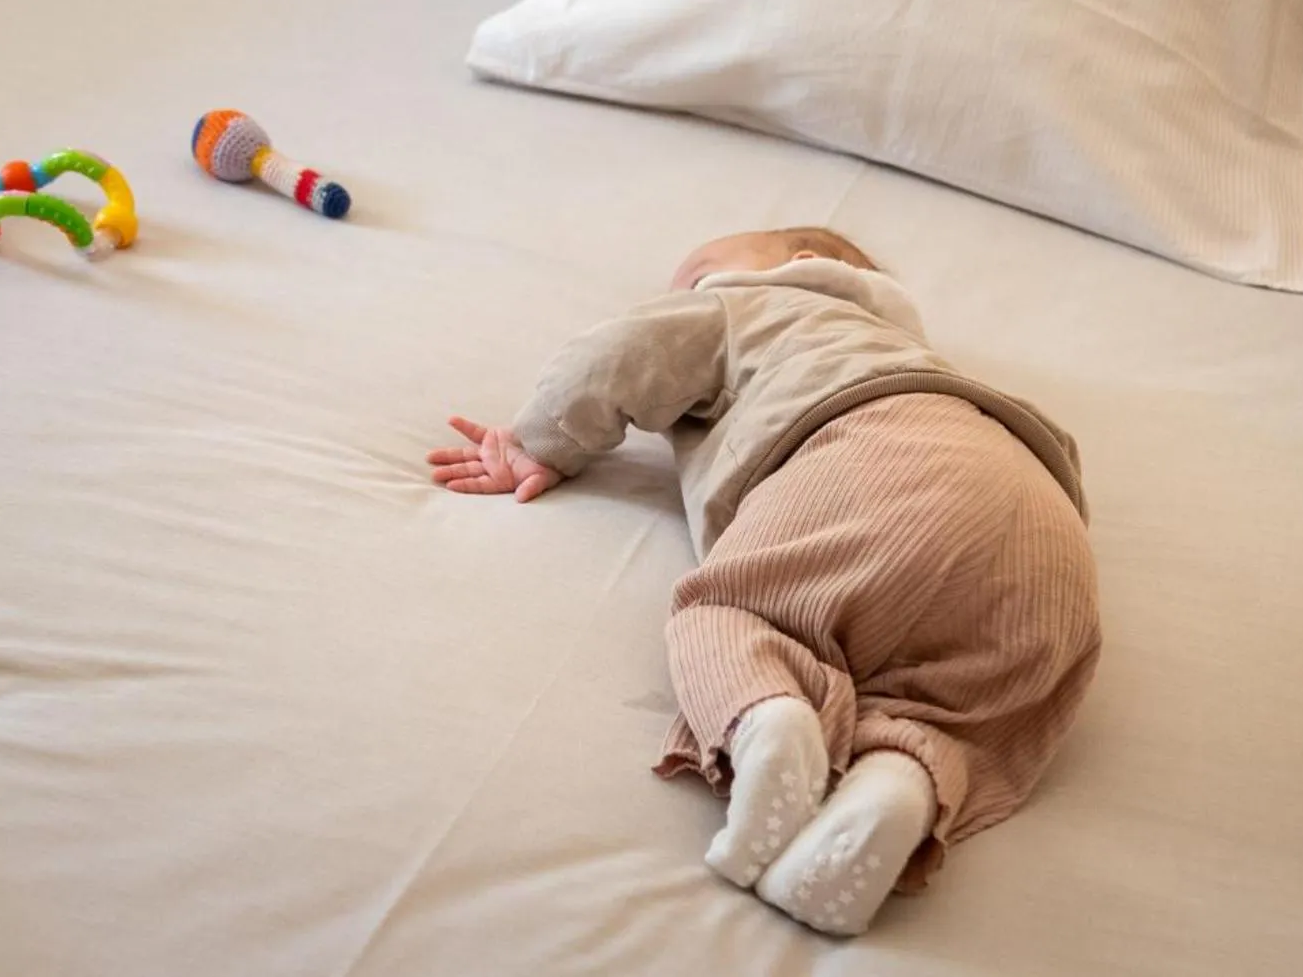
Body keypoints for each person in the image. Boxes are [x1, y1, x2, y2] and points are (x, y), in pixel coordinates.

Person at [429, 229, 1100, 935]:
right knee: (965, 709)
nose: (683, 294)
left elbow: (621, 353)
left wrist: (537, 440)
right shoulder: (942, 371)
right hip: (1049, 528)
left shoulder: (760, 307)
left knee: (729, 613)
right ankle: (900, 779)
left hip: (869, 454)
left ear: (804, 267)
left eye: (696, 277)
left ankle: (770, 719)